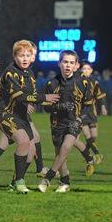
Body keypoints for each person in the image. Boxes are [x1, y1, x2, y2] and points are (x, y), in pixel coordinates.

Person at [0, 40, 59, 193]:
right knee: (22, 141)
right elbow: (20, 96)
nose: (25, 58)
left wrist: (52, 104)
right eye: (21, 55)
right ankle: (20, 182)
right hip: (4, 113)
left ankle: (14, 183)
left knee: (30, 153)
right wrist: (44, 98)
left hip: (20, 115)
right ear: (15, 56)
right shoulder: (10, 72)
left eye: (28, 55)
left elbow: (32, 95)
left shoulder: (30, 73)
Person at [0, 41, 49, 180]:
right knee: (25, 140)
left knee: (25, 141)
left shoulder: (29, 72)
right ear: (15, 56)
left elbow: (29, 93)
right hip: (9, 112)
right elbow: (18, 94)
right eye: (25, 54)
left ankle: (20, 175)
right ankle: (32, 172)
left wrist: (32, 101)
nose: (29, 57)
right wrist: (33, 100)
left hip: (19, 111)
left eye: (31, 55)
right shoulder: (13, 72)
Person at [38, 50, 92, 193]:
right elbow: (45, 108)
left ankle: (47, 179)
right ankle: (65, 182)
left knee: (66, 146)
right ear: (59, 63)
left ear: (76, 65)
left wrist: (80, 119)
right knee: (60, 155)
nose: (68, 65)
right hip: (57, 123)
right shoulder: (51, 83)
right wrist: (58, 106)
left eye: (71, 63)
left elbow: (88, 106)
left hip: (75, 121)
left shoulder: (83, 82)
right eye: (65, 62)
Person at [79, 61, 107, 164]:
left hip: (91, 111)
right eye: (84, 68)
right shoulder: (77, 81)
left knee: (94, 136)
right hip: (81, 111)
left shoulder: (94, 81)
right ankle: (97, 154)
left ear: (91, 70)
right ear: (80, 70)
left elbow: (99, 96)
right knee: (87, 136)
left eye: (88, 69)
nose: (86, 70)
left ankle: (87, 154)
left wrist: (103, 107)